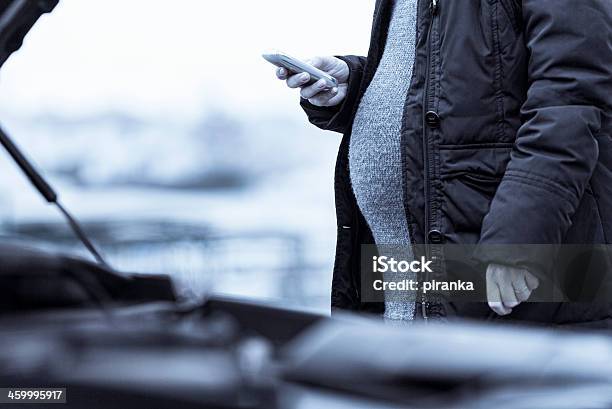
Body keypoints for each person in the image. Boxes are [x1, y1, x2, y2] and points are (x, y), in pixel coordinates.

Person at [274, 0, 612, 327]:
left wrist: (518, 240)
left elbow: (569, 103)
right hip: (406, 285)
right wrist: (361, 86)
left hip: (507, 269)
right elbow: (452, 85)